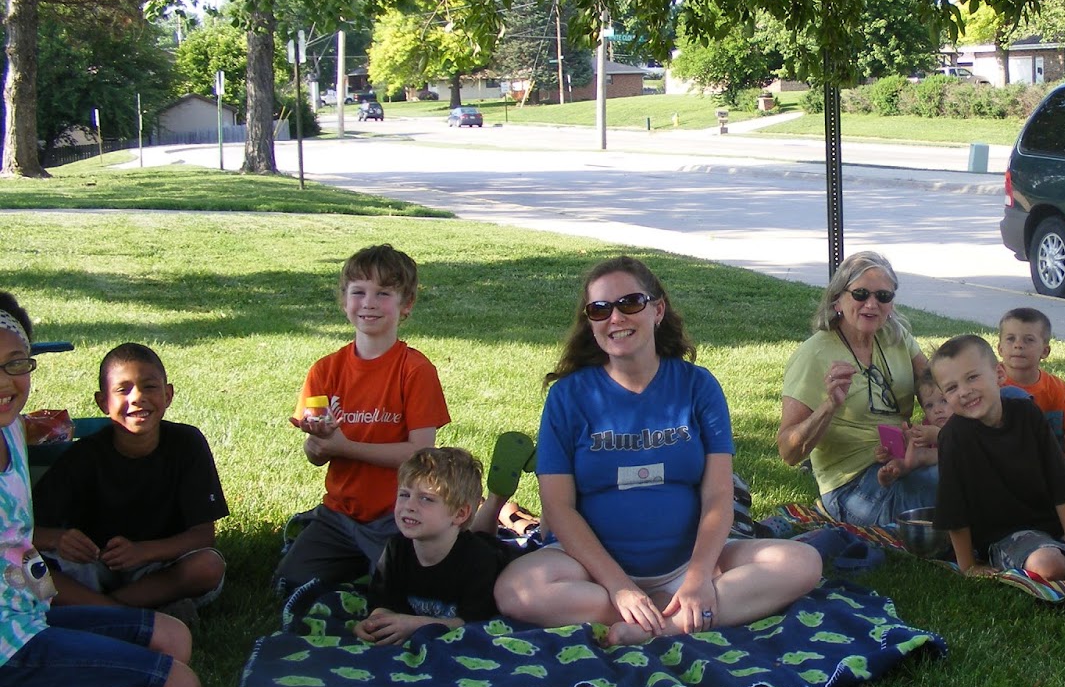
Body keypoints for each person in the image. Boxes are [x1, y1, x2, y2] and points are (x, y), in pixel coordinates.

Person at [493, 256, 821, 646]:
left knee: (802, 562)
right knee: (514, 590)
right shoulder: (568, 397)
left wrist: (699, 577)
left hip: (689, 563)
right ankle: (670, 615)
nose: (615, 318)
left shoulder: (697, 387)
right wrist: (619, 588)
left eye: (629, 303)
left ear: (657, 309)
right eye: (600, 309)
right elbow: (558, 508)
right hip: (592, 572)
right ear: (590, 322)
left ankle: (662, 622)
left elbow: (718, 495)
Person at [0, 292, 200, 687]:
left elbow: (15, 542)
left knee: (174, 636)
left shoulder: (11, 427)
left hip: (29, 613)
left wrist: (49, 602)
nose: (5, 382)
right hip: (9, 651)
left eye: (15, 363)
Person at [276, 244, 451, 593]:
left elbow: (419, 454)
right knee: (290, 583)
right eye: (359, 292)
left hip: (397, 515)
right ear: (344, 301)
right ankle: (357, 558)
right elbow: (314, 454)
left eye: (383, 293)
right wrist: (319, 444)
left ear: (406, 305)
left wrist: (345, 446)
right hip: (339, 514)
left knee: (405, 591)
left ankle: (389, 561)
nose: (369, 303)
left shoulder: (415, 370)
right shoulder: (325, 371)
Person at [33, 343, 227, 617]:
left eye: (149, 387)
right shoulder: (84, 455)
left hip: (160, 566)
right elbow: (25, 533)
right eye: (123, 390)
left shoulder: (187, 443)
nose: (137, 398)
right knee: (26, 571)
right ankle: (129, 613)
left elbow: (204, 536)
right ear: (103, 402)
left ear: (168, 394)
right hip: (92, 566)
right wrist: (60, 539)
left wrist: (143, 552)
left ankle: (99, 611)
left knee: (207, 566)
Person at [778, 251, 938, 527]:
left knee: (977, 465)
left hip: (902, 461)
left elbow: (935, 391)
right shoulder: (814, 354)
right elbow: (789, 452)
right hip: (852, 486)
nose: (872, 304)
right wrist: (829, 406)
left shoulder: (895, 337)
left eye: (883, 296)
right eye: (861, 294)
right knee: (954, 489)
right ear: (838, 299)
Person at [928, 335, 1065, 579]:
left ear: (999, 374)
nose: (965, 392)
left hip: (1059, 517)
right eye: (952, 388)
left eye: (972, 377)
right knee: (1049, 566)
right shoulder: (953, 438)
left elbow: (1062, 485)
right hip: (1007, 535)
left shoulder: (1028, 414)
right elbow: (953, 508)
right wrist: (968, 565)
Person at [356, 447, 515, 645]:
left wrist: (416, 625)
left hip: (510, 561)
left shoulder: (479, 561)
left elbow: (473, 623)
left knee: (491, 540)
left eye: (426, 499)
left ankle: (501, 504)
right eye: (404, 494)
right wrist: (374, 624)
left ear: (459, 514)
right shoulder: (396, 548)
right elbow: (383, 602)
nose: (409, 506)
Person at [995, 307, 1065, 490]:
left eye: (1028, 340)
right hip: (1010, 464)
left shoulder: (1055, 386)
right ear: (999, 348)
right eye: (1010, 338)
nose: (1018, 345)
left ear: (1045, 351)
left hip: (1055, 464)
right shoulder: (992, 384)